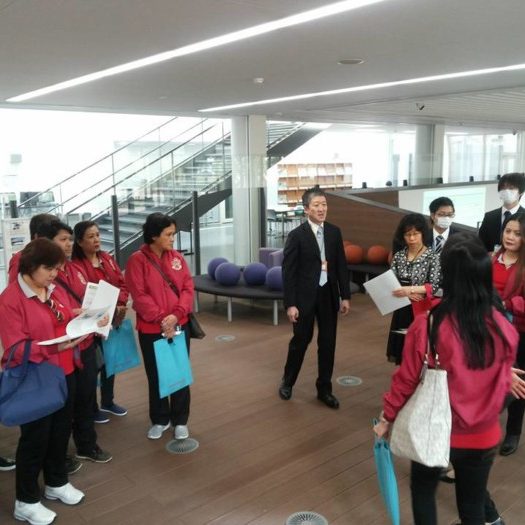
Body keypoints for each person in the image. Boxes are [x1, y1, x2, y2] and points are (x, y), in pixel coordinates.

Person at [374, 233, 518, 525]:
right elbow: (501, 380)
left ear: (447, 276)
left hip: (434, 430)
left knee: (423, 493)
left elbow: (405, 380)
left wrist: (387, 418)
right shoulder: (505, 329)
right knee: (473, 508)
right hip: (483, 435)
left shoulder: (427, 324)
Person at [0, 239, 88, 525]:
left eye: (57, 268)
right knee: (35, 440)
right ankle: (25, 501)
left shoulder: (51, 289)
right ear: (31, 266)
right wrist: (53, 347)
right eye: (49, 268)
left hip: (64, 371)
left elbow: (59, 317)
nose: (54, 274)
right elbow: (15, 347)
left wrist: (81, 317)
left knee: (60, 433)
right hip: (35, 378)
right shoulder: (11, 299)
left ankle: (56, 482)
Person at [38, 220, 112, 465]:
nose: (69, 244)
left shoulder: (75, 269)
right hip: (63, 349)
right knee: (63, 405)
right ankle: (58, 456)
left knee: (86, 398)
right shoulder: (44, 277)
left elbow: (89, 300)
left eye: (70, 239)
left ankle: (87, 445)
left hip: (85, 342)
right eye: (63, 240)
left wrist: (100, 316)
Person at [278, 186, 351, 409]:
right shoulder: (296, 236)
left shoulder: (334, 232)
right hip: (304, 298)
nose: (322, 209)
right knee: (300, 341)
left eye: (324, 205)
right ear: (307, 209)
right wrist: (290, 304)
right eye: (317, 205)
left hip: (328, 294)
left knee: (328, 343)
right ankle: (288, 381)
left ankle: (324, 389)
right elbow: (288, 272)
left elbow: (341, 266)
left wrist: (345, 296)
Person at [125, 213, 194, 440]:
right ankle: (160, 419)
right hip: (152, 329)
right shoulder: (137, 260)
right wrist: (163, 319)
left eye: (173, 234)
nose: (172, 238)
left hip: (179, 325)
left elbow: (187, 288)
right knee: (156, 374)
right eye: (168, 234)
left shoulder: (177, 258)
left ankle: (180, 420)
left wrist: (176, 315)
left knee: (180, 372)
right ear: (154, 235)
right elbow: (139, 295)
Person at [72, 220, 129, 423]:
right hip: (91, 322)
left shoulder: (107, 258)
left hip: (112, 319)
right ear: (79, 241)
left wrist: (120, 304)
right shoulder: (75, 266)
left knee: (109, 362)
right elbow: (81, 296)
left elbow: (122, 283)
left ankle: (108, 401)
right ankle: (92, 408)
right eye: (90, 236)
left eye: (97, 235)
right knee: (92, 367)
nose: (96, 239)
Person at [386, 213, 441, 364]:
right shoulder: (399, 256)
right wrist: (406, 294)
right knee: (401, 348)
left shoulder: (433, 257)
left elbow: (434, 286)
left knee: (419, 348)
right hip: (401, 306)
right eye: (407, 234)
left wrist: (409, 290)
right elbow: (391, 282)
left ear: (423, 233)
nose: (411, 238)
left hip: (421, 308)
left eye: (415, 234)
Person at [491, 212, 525, 457]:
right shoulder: (492, 258)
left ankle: (513, 431)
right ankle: (487, 427)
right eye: (508, 231)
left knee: (518, 382)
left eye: (517, 233)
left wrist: (507, 304)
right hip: (490, 329)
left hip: (519, 331)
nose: (510, 236)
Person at [479, 172, 525, 253]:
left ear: (521, 192)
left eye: (511, 188)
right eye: (503, 188)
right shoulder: (489, 216)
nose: (506, 191)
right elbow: (480, 244)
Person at [8, 213, 58, 283]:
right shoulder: (20, 259)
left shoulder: (54, 256)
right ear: (37, 236)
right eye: (51, 235)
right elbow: (14, 286)